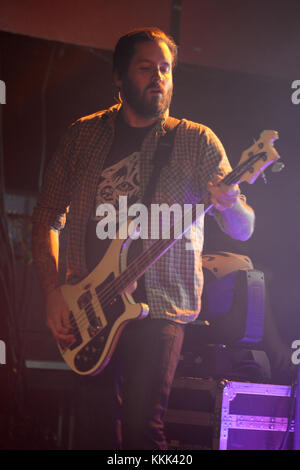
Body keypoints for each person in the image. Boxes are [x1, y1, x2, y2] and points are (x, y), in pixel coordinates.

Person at [31, 27, 255, 450]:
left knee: (142, 434)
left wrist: (229, 204)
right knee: (95, 434)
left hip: (160, 308)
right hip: (88, 305)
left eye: (166, 69)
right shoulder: (83, 136)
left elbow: (242, 228)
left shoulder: (195, 140)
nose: (158, 77)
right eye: (146, 67)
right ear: (118, 77)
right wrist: (52, 294)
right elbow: (46, 217)